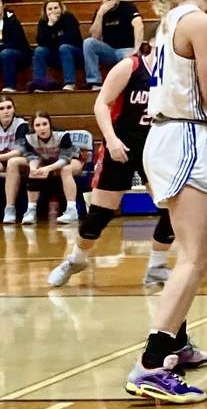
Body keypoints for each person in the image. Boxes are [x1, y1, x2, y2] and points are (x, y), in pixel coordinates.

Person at [124, 0, 207, 404]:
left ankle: (177, 339)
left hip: (167, 137)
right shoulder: (200, 22)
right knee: (194, 255)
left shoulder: (170, 20)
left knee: (201, 247)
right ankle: (152, 362)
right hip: (186, 136)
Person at [47, 39, 176, 287]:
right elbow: (101, 103)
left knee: (172, 209)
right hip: (121, 145)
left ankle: (157, 266)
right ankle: (75, 259)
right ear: (152, 44)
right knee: (101, 213)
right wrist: (111, 140)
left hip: (153, 148)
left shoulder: (172, 73)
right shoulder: (130, 66)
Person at [3, 111, 83, 225]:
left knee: (66, 169)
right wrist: (33, 168)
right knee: (25, 168)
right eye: (38, 125)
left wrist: (48, 169)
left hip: (71, 159)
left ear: (50, 124)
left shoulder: (61, 134)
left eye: (45, 124)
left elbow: (65, 159)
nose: (42, 128)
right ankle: (29, 210)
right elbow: (32, 156)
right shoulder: (30, 137)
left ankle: (72, 210)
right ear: (33, 127)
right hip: (45, 160)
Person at [83, 0, 144, 88]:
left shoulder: (127, 6)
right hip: (109, 51)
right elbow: (95, 36)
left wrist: (137, 48)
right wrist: (100, 14)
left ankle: (130, 86)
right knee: (88, 42)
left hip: (127, 49)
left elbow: (138, 24)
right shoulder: (100, 12)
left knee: (129, 59)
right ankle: (95, 82)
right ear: (101, 0)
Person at [32, 0, 84, 91]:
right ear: (45, 11)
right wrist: (50, 24)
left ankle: (70, 83)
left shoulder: (69, 18)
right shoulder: (44, 22)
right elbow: (41, 42)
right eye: (50, 9)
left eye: (56, 8)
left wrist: (53, 41)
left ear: (61, 8)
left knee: (64, 48)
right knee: (39, 50)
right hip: (55, 55)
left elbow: (71, 39)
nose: (53, 11)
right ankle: (40, 84)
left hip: (74, 54)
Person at [0, 96, 28, 211]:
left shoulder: (21, 124)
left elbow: (19, 151)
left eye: (9, 107)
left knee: (12, 162)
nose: (6, 111)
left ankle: (10, 209)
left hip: (21, 162)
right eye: (1, 108)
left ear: (14, 110)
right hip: (3, 163)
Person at [0, 0, 32, 93]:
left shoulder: (11, 20)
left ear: (3, 5)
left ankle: (10, 86)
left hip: (19, 54)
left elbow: (14, 43)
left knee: (6, 53)